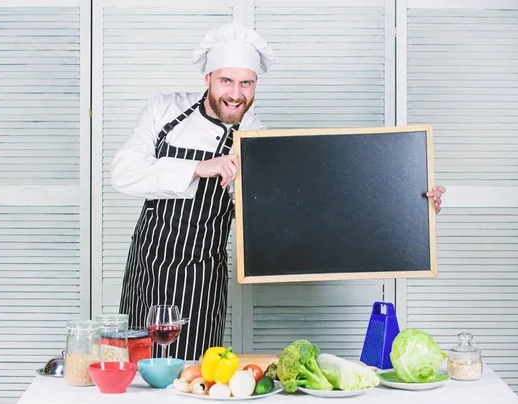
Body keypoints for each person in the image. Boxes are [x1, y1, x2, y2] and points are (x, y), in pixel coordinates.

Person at [111, 22, 446, 361]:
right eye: (226, 80)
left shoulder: (257, 139)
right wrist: (199, 168)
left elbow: (313, 207)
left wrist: (410, 206)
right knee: (135, 367)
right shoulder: (165, 110)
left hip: (200, 275)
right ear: (208, 78)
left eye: (246, 83)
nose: (236, 93)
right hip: (148, 262)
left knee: (192, 373)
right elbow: (122, 174)